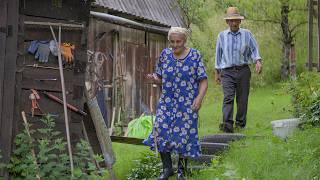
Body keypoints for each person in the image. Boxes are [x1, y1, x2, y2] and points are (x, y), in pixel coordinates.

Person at [143, 27, 208, 180]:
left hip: (187, 103)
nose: (174, 45)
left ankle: (182, 171)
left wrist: (199, 98)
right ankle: (167, 168)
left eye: (178, 41)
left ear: (184, 41)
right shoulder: (165, 55)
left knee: (184, 136)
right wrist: (153, 79)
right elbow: (160, 79)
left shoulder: (194, 55)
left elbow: (203, 80)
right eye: (172, 41)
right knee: (160, 131)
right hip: (167, 102)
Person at [215, 7, 263, 133]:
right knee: (228, 97)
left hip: (243, 70)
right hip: (227, 71)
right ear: (227, 22)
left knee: (242, 99)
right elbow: (218, 54)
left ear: (240, 21)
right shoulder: (221, 36)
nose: (234, 23)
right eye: (231, 21)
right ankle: (227, 125)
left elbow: (254, 49)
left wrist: (257, 61)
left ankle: (240, 124)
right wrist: (217, 72)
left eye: (236, 20)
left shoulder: (247, 34)